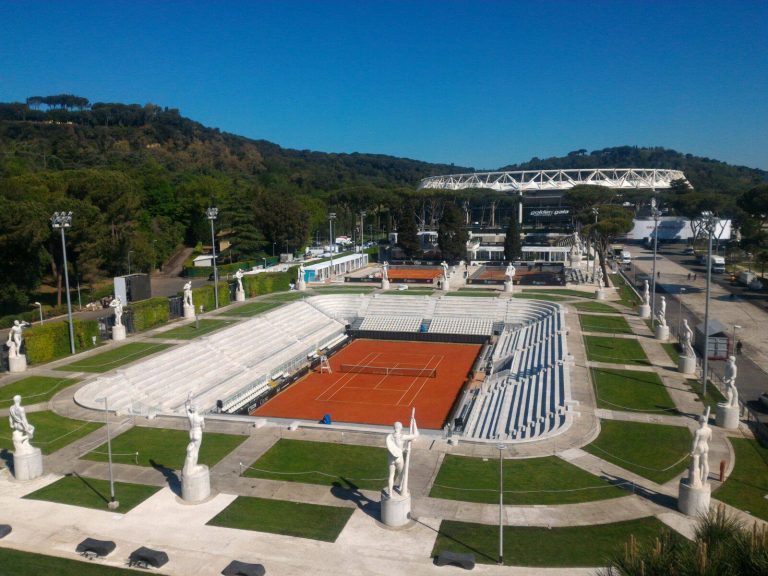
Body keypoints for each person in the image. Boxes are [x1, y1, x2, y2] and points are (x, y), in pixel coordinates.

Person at [386, 418, 419, 496]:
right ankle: (400, 487)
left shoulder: (390, 436)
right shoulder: (402, 437)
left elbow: (393, 448)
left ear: (394, 428)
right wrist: (414, 422)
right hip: (399, 458)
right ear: (401, 428)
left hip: (391, 458)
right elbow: (416, 435)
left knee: (391, 475)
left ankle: (390, 494)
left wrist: (404, 449)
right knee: (401, 474)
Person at [689, 408, 712, 488]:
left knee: (696, 465)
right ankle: (704, 481)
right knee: (705, 464)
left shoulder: (698, 431)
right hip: (706, 446)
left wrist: (692, 451)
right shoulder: (709, 430)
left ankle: (694, 482)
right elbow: (710, 439)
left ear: (700, 421)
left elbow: (695, 442)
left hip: (699, 446)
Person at [183, 393, 205, 476]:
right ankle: (193, 466)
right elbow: (203, 426)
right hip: (198, 433)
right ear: (197, 409)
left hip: (191, 433)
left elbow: (186, 407)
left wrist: (189, 399)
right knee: (196, 450)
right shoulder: (200, 418)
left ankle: (191, 464)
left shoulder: (190, 416)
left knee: (193, 448)